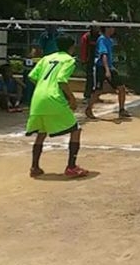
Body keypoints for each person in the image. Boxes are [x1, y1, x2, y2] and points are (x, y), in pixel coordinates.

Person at [26, 36, 89, 178]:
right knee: (76, 129)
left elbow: (32, 76)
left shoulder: (46, 58)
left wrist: (43, 89)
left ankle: (34, 167)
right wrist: (72, 99)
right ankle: (71, 167)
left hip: (38, 98)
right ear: (71, 47)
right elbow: (61, 80)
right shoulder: (69, 60)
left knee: (41, 132)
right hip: (54, 97)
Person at [85, 23, 132, 119]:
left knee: (121, 88)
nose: (113, 29)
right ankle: (88, 109)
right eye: (111, 27)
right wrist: (107, 70)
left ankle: (122, 110)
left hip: (109, 67)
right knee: (98, 91)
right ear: (106, 28)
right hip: (101, 68)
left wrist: (111, 67)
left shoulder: (109, 40)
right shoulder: (102, 39)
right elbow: (103, 55)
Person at [79, 24, 101, 102]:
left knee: (98, 78)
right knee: (90, 78)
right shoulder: (86, 37)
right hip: (89, 61)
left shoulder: (100, 37)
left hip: (98, 60)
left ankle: (95, 96)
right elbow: (83, 49)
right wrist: (83, 60)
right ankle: (87, 96)